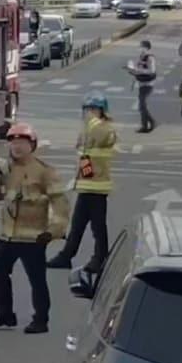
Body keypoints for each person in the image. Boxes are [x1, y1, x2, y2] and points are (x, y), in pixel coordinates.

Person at [0, 122, 69, 334]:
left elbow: (60, 204)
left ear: (32, 145)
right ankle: (5, 314)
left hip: (34, 238)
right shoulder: (7, 170)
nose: (17, 146)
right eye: (13, 141)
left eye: (22, 142)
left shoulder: (44, 172)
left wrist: (53, 231)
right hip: (8, 236)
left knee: (37, 281)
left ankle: (41, 320)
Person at [48, 93, 117, 277]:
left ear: (101, 111)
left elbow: (101, 136)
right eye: (86, 110)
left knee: (97, 226)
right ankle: (66, 256)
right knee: (78, 224)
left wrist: (91, 122)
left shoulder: (104, 128)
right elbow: (82, 149)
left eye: (92, 109)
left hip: (97, 186)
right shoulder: (91, 129)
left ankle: (100, 258)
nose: (88, 114)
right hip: (87, 185)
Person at [127, 40, 157, 133]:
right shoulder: (140, 57)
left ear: (147, 48)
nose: (140, 48)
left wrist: (139, 70)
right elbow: (136, 72)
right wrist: (132, 82)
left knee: (142, 106)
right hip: (141, 84)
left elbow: (152, 71)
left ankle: (150, 123)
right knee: (142, 106)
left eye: (142, 47)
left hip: (148, 85)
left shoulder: (150, 58)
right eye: (139, 46)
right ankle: (145, 125)